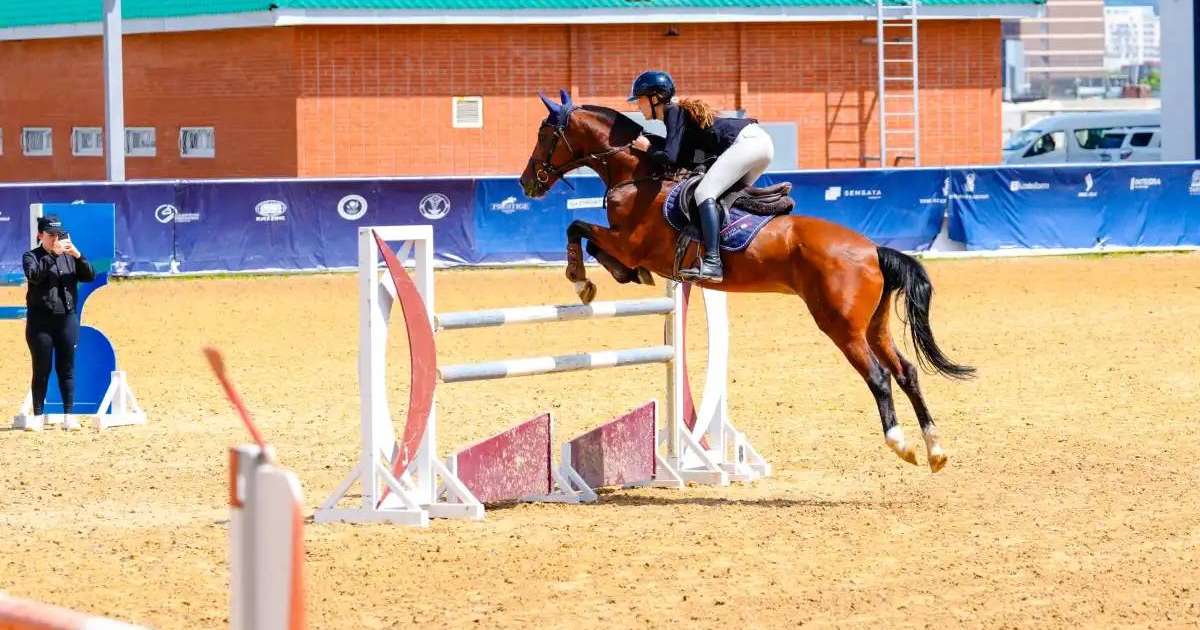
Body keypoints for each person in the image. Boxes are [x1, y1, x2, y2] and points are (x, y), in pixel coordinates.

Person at [628, 70, 775, 283]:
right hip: (759, 144)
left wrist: (648, 148)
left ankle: (713, 262)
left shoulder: (672, 112)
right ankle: (729, 253)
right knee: (723, 200)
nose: (637, 106)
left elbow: (669, 157)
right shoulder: (677, 116)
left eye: (639, 100)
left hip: (748, 143)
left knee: (704, 192)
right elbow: (684, 159)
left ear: (655, 98)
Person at [22, 215, 95, 431]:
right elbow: (34, 276)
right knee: (41, 368)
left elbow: (89, 275)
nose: (56, 239)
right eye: (51, 235)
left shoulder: (69, 256)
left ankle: (68, 415)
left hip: (66, 319)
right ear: (40, 235)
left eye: (58, 235)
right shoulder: (31, 256)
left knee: (67, 368)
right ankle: (37, 415)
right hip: (40, 322)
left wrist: (77, 255)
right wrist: (53, 255)